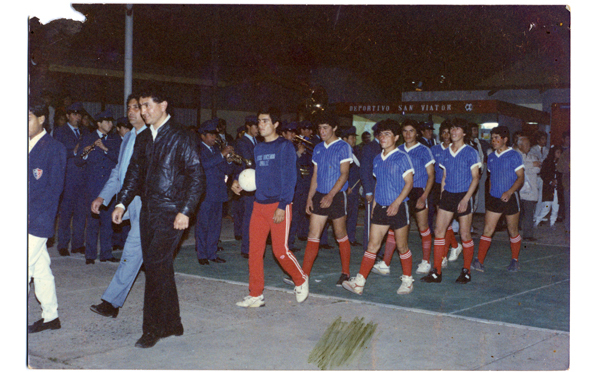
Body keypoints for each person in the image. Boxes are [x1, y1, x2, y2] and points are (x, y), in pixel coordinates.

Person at [112, 86, 205, 348]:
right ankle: (173, 323)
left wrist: (185, 211)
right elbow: (134, 174)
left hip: (172, 212)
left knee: (153, 266)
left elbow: (197, 178)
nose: (142, 111)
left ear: (163, 105)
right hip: (148, 211)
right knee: (161, 267)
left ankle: (151, 329)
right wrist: (121, 203)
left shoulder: (181, 137)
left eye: (147, 105)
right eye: (140, 106)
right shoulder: (143, 138)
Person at [232, 107, 309, 308]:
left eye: (265, 121)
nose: (261, 125)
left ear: (275, 124)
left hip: (278, 204)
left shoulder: (285, 147)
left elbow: (290, 178)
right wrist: (239, 182)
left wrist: (283, 205)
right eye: (259, 121)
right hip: (259, 204)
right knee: (254, 251)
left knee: (280, 252)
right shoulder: (258, 148)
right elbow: (257, 174)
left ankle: (300, 279)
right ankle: (256, 294)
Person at [89, 95, 147, 318]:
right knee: (141, 252)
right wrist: (103, 197)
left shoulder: (151, 138)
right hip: (129, 201)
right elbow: (118, 172)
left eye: (137, 107)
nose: (132, 112)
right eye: (129, 108)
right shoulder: (128, 138)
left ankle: (111, 302)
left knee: (133, 249)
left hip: (144, 202)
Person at [341, 120, 415, 295]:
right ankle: (359, 283)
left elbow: (409, 183)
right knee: (372, 246)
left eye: (387, 134)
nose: (383, 137)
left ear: (396, 137)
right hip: (380, 207)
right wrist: (374, 205)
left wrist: (396, 203)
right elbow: (378, 184)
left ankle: (407, 281)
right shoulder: (376, 158)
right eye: (381, 134)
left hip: (399, 207)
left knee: (402, 246)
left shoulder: (402, 157)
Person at [421, 118, 481, 284]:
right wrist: (442, 198)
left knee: (464, 234)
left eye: (457, 129)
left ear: (464, 133)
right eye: (452, 129)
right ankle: (436, 272)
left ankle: (466, 271)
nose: (454, 132)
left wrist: (466, 199)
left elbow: (476, 178)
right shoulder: (446, 152)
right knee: (439, 232)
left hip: (464, 195)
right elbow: (445, 177)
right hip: (448, 194)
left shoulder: (471, 152)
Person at [371, 119, 434, 276]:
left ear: (417, 133)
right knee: (393, 229)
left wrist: (424, 196)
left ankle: (426, 261)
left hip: (418, 191)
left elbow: (431, 175)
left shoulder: (424, 150)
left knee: (423, 227)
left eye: (411, 131)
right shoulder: (396, 149)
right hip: (399, 193)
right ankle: (385, 263)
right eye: (405, 131)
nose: (408, 134)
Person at [298, 111, 354, 286]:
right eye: (319, 128)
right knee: (313, 234)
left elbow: (345, 174)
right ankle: (303, 276)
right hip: (320, 195)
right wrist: (310, 198)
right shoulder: (318, 148)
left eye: (325, 127)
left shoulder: (344, 147)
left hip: (336, 195)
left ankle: (345, 273)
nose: (321, 131)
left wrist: (331, 195)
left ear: (334, 128)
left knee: (340, 234)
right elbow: (315, 175)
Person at [28, 98, 67, 333]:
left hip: (37, 221)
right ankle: (51, 317)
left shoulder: (55, 149)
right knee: (41, 269)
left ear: (42, 119)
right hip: (20, 219)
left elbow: (54, 191)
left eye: (28, 118)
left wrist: (35, 220)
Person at [471, 126, 525, 273]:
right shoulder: (492, 156)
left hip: (511, 198)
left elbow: (521, 177)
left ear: (505, 139)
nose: (493, 141)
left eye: (497, 138)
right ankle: (479, 261)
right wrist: (490, 195)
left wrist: (509, 192)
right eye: (492, 138)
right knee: (488, 229)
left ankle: (515, 260)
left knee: (512, 230)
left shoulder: (514, 155)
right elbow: (490, 178)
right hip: (494, 199)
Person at [75, 109, 122, 264]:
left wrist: (106, 149)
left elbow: (119, 160)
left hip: (109, 188)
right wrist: (86, 152)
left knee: (107, 222)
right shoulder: (88, 138)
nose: (110, 124)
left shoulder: (115, 140)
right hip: (92, 186)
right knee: (93, 222)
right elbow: (78, 161)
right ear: (99, 123)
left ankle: (106, 254)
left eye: (111, 122)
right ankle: (90, 255)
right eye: (107, 122)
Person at [195, 118, 234, 265]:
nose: (214, 138)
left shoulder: (217, 150)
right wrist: (221, 155)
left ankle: (212, 253)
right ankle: (202, 255)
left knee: (215, 225)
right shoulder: (198, 149)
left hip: (218, 192)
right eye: (211, 135)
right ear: (203, 136)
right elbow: (204, 165)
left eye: (215, 135)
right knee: (203, 224)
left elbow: (227, 170)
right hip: (205, 193)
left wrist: (229, 160)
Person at [52, 101, 87, 256]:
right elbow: (57, 152)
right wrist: (73, 151)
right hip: (68, 177)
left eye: (79, 114)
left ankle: (78, 244)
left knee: (80, 212)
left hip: (82, 178)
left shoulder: (85, 132)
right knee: (66, 212)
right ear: (67, 116)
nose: (77, 117)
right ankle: (63, 244)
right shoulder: (60, 131)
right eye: (74, 114)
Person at [429, 120, 462, 263]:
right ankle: (453, 246)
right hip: (438, 186)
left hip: (455, 187)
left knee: (444, 223)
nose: (447, 135)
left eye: (449, 132)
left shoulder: (459, 150)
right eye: (444, 132)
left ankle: (449, 249)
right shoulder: (434, 149)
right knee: (442, 223)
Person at [233, 115, 259, 258]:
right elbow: (247, 163)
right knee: (248, 217)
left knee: (257, 218)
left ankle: (254, 246)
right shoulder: (242, 142)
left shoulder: (257, 141)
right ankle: (246, 248)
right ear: (248, 126)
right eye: (255, 126)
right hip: (248, 183)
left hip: (257, 183)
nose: (257, 129)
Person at [359, 122, 383, 250]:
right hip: (372, 191)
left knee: (382, 222)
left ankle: (379, 251)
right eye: (382, 134)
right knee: (370, 222)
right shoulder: (370, 147)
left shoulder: (387, 147)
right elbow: (364, 170)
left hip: (385, 192)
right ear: (376, 135)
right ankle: (369, 251)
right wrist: (368, 191)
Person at [515, 135, 541, 242]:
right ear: (520, 145)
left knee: (529, 212)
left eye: (529, 144)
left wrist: (527, 167)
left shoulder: (532, 156)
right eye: (526, 144)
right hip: (518, 188)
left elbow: (537, 169)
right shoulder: (515, 155)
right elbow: (517, 167)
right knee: (516, 213)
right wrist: (531, 165)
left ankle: (528, 234)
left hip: (530, 190)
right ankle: (514, 234)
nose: (528, 146)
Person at [341, 126, 362, 246]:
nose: (354, 140)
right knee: (341, 215)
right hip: (345, 188)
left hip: (355, 187)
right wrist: (346, 185)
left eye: (354, 138)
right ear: (345, 139)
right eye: (352, 138)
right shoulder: (342, 151)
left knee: (353, 213)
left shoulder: (357, 151)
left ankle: (351, 238)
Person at [534, 145, 563, 228]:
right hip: (549, 189)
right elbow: (543, 174)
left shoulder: (561, 163)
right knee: (546, 206)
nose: (559, 154)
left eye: (560, 153)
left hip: (557, 189)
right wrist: (550, 181)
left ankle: (552, 222)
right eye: (558, 152)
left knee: (556, 207)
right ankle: (537, 220)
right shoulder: (548, 162)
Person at [556, 131, 570, 234]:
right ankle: (569, 227)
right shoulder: (566, 153)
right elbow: (560, 168)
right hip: (569, 184)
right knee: (568, 207)